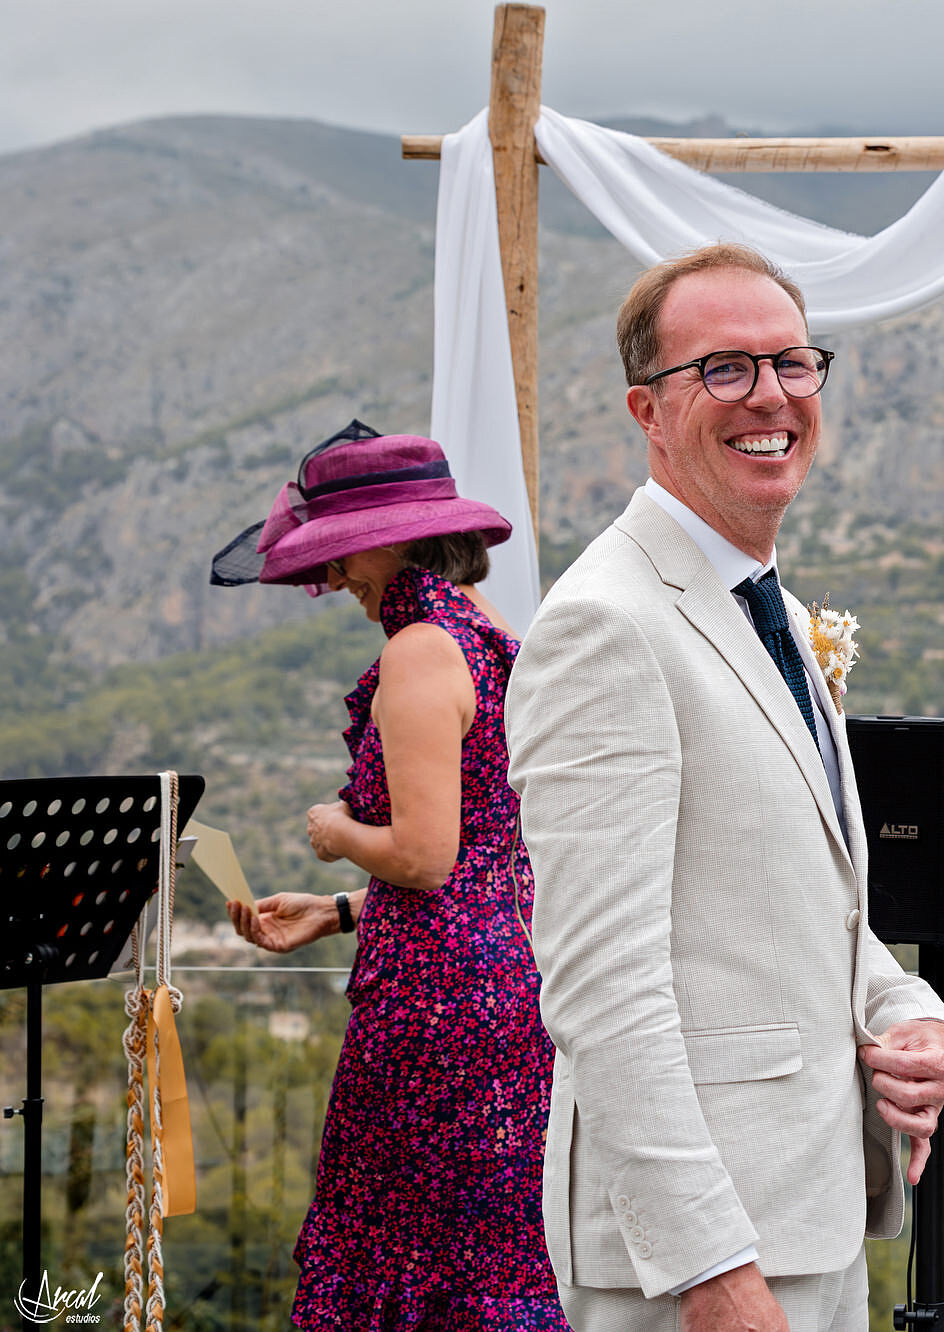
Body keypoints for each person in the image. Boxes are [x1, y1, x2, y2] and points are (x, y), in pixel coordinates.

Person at [505, 243, 944, 1332]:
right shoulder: (605, 626)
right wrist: (710, 1269)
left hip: (810, 1217)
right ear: (647, 411)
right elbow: (599, 985)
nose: (770, 396)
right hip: (704, 1262)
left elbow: (804, 905)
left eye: (793, 364)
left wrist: (913, 1017)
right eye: (723, 369)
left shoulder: (769, 612)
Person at [212, 423, 568, 1330]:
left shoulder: (418, 650)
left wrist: (336, 832)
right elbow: (485, 864)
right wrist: (338, 911)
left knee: (405, 1250)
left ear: (391, 539)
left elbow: (424, 856)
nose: (336, 584)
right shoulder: (485, 635)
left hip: (435, 1008)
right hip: (504, 986)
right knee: (486, 1249)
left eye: (341, 561)